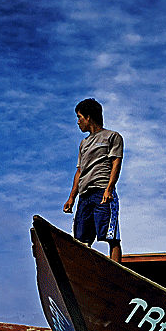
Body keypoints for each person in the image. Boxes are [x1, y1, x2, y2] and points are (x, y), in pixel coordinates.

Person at [63, 98, 123, 262]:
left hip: (102, 191)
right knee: (81, 239)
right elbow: (79, 171)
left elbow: (116, 163)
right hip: (84, 195)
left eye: (79, 117)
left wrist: (109, 189)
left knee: (110, 236)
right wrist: (72, 197)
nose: (78, 122)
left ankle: (117, 272)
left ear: (88, 117)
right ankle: (84, 271)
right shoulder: (83, 143)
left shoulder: (112, 136)